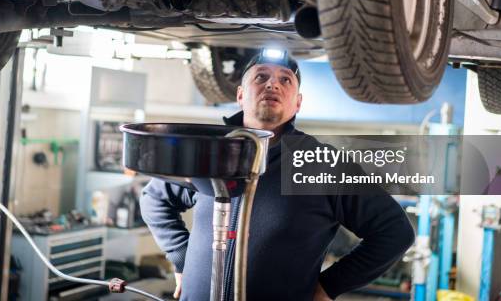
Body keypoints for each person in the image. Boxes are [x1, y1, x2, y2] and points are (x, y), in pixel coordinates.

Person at [140, 51, 415, 300]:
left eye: (285, 80)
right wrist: (181, 258)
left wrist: (330, 286)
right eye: (261, 76)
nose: (272, 84)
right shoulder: (209, 152)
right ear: (239, 95)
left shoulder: (324, 165)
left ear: (297, 103)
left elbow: (394, 231)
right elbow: (154, 198)